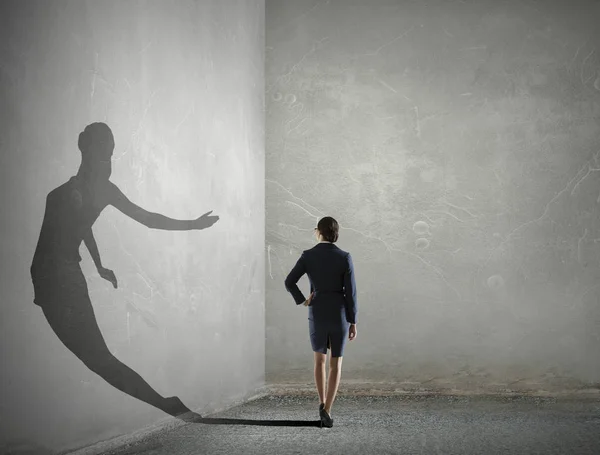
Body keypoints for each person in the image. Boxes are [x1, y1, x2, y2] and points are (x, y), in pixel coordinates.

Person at [30, 122, 219, 419]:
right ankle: (166, 404)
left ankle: (166, 404)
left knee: (98, 359)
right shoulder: (67, 192)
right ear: (83, 145)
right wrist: (99, 264)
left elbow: (147, 219)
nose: (105, 159)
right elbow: (81, 229)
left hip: (61, 280)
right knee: (96, 359)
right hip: (52, 279)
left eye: (109, 153)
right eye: (102, 150)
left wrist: (192, 224)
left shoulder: (100, 190)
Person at [284, 216, 358, 428]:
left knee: (319, 360)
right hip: (339, 312)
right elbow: (351, 293)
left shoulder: (308, 255)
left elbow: (289, 281)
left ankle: (321, 402)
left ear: (318, 232)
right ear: (335, 233)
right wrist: (353, 321)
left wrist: (303, 300)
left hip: (317, 311)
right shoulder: (344, 257)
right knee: (336, 363)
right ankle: (327, 411)